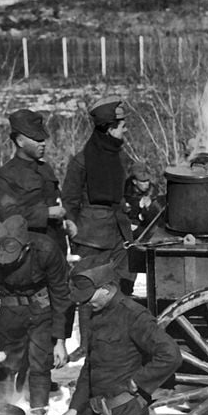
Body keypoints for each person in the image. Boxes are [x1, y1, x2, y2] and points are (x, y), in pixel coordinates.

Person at [58, 263, 181, 415]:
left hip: (125, 412)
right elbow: (90, 367)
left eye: (88, 297)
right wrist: (73, 408)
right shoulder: (97, 314)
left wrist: (139, 381)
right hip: (101, 413)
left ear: (106, 288)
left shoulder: (134, 315)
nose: (84, 303)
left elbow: (171, 354)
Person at [0, 215, 70, 415]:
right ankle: (1, 414)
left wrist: (60, 340)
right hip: (10, 312)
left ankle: (38, 414)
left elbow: (61, 295)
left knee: (40, 363)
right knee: (6, 364)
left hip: (42, 310)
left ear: (26, 248)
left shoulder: (47, 249)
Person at [62, 96, 134, 296]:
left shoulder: (120, 156)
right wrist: (74, 231)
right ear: (110, 129)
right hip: (91, 242)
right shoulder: (81, 162)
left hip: (120, 239)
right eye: (122, 126)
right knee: (90, 294)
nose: (125, 130)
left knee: (122, 294)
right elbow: (69, 200)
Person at [0, 109, 77, 255]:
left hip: (56, 249)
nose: (42, 143)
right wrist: (46, 213)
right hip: (27, 252)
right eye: (36, 140)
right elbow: (8, 216)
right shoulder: (5, 176)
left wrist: (68, 220)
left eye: (43, 139)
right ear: (20, 141)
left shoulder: (46, 169)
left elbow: (58, 199)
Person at [124, 161, 157, 238]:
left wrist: (149, 207)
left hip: (146, 228)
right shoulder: (125, 191)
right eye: (143, 181)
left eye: (147, 181)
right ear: (134, 181)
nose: (147, 184)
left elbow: (157, 217)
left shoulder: (153, 191)